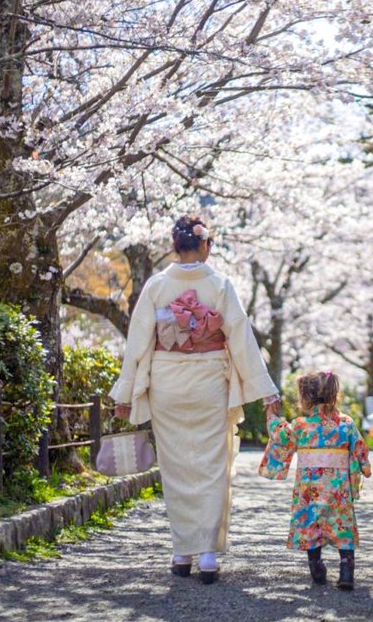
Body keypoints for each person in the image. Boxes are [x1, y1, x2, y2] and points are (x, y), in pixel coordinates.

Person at [110, 215, 281, 583]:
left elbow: (138, 340)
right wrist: (267, 391)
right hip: (209, 383)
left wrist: (124, 393)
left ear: (175, 246)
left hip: (167, 383)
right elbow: (241, 339)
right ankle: (207, 555)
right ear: (205, 245)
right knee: (211, 464)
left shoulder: (156, 286)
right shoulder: (220, 285)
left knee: (175, 468)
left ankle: (181, 551)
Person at [258, 370, 372, 590]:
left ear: (305, 398)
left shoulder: (301, 425)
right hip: (339, 489)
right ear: (334, 395)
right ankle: (346, 571)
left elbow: (281, 436)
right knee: (342, 525)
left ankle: (316, 567)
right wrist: (364, 467)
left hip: (309, 490)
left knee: (311, 524)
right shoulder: (346, 424)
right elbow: (360, 448)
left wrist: (272, 417)